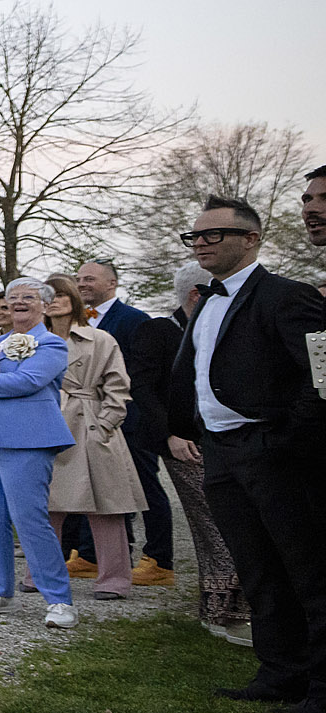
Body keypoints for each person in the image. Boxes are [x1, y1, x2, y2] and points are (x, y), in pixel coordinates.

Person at [166, 195, 326, 713]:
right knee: (257, 569)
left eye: (213, 234)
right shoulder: (205, 301)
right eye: (195, 236)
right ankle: (280, 673)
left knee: (307, 570)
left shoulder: (288, 296)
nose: (201, 244)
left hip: (274, 452)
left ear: (251, 239)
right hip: (221, 452)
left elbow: (319, 379)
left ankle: (322, 690)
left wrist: (284, 439)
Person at [131, 262, 248, 640]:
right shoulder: (159, 331)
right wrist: (170, 435)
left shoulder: (223, 327)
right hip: (186, 444)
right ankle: (226, 611)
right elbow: (143, 389)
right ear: (196, 295)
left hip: (229, 438)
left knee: (238, 521)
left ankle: (232, 609)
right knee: (213, 525)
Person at [0, 279, 79, 629]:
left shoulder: (51, 343)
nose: (20, 302)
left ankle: (58, 599)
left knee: (29, 518)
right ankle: (0, 590)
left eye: (29, 297)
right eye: (13, 298)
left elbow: (27, 381)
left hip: (27, 439)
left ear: (45, 305)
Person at [41, 273, 142, 603]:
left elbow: (118, 386)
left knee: (106, 506)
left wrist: (105, 424)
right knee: (44, 506)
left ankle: (114, 578)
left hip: (90, 424)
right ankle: (40, 573)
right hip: (45, 424)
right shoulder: (32, 341)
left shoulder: (99, 339)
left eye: (60, 294)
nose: (54, 301)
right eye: (47, 295)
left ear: (73, 299)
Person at [78, 257, 176, 585]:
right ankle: (93, 556)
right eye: (80, 279)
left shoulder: (134, 320)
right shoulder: (78, 322)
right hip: (89, 419)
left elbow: (141, 374)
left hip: (130, 419)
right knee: (96, 488)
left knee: (144, 488)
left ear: (112, 283)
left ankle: (160, 560)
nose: (82, 284)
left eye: (90, 279)